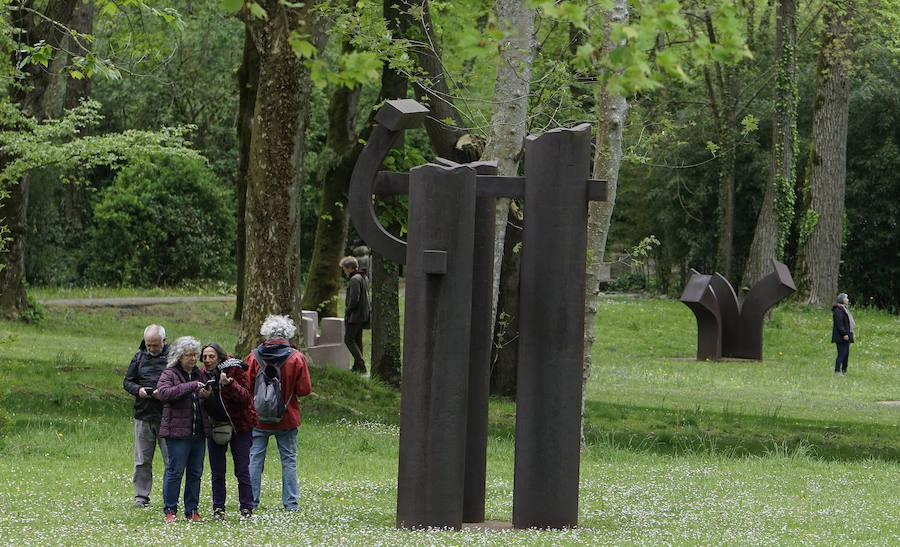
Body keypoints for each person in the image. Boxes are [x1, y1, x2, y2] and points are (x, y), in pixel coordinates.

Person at [246, 315, 312, 511]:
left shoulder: (253, 356)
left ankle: (251, 501)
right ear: (287, 333)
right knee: (289, 461)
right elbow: (304, 390)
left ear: (267, 333)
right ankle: (291, 503)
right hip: (287, 417)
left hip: (258, 418)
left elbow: (246, 385)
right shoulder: (296, 357)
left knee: (254, 460)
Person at [200, 342, 257, 520]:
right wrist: (206, 396)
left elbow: (246, 396)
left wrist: (229, 386)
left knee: (241, 469)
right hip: (215, 425)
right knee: (217, 471)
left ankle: (246, 508)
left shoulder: (234, 369)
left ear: (220, 357)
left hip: (239, 426)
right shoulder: (201, 374)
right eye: (205, 357)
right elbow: (204, 406)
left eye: (211, 356)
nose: (208, 360)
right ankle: (218, 508)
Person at [156, 336, 210, 522]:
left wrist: (206, 394)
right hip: (177, 433)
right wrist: (191, 386)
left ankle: (192, 510)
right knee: (176, 472)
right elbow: (164, 394)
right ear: (180, 356)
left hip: (198, 432)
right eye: (189, 355)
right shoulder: (169, 374)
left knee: (195, 473)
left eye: (196, 355)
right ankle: (170, 510)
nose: (194, 359)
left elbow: (203, 399)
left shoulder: (199, 374)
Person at [122, 324, 170, 508]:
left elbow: (182, 382)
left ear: (164, 341)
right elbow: (127, 381)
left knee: (170, 461)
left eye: (155, 345)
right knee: (142, 459)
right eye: (148, 345)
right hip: (143, 414)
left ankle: (169, 496)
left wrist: (164, 393)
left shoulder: (174, 358)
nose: (151, 349)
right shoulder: (138, 357)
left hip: (167, 416)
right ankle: (141, 496)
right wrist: (139, 390)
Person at [340, 255, 370, 374]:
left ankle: (361, 364)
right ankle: (357, 366)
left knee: (348, 339)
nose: (344, 271)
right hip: (363, 314)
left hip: (355, 315)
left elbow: (354, 299)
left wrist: (347, 310)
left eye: (345, 269)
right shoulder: (363, 277)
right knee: (357, 339)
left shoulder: (354, 279)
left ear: (350, 268)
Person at [832, 293, 856, 376]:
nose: (848, 300)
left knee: (846, 354)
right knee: (841, 353)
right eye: (846, 298)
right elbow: (839, 324)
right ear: (842, 300)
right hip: (841, 336)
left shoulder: (845, 309)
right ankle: (837, 370)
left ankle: (844, 370)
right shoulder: (838, 310)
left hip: (847, 334)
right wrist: (844, 334)